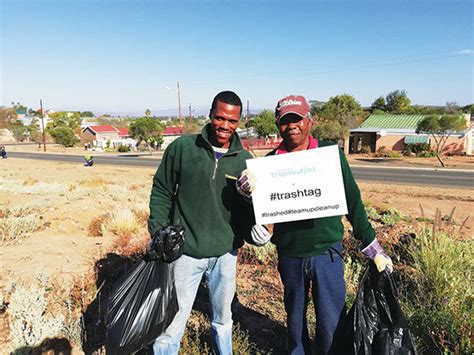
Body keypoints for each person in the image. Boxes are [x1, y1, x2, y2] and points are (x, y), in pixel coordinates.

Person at [237, 95, 393, 355]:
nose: (292, 126)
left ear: (309, 121)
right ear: (278, 125)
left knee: (331, 322)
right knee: (295, 321)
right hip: (291, 255)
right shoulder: (268, 165)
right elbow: (265, 217)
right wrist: (248, 197)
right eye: (286, 121)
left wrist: (371, 245)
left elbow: (353, 201)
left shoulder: (328, 157)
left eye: (297, 119)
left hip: (326, 253)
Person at [148, 90, 254, 354]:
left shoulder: (246, 161)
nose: (225, 126)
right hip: (185, 253)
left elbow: (247, 211)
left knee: (223, 319)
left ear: (239, 121)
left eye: (232, 121)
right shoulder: (183, 148)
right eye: (220, 118)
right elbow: (161, 189)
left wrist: (255, 229)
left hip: (226, 254)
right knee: (172, 322)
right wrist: (159, 230)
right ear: (210, 115)